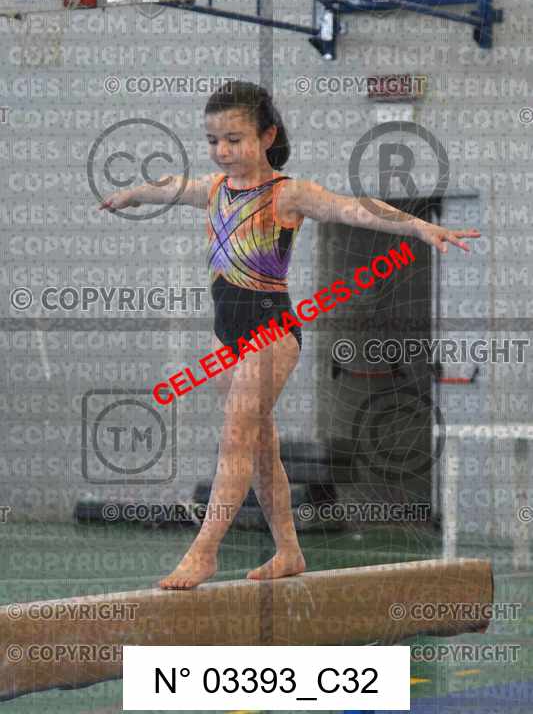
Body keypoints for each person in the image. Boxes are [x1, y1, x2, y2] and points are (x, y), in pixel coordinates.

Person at [98, 81, 481, 589]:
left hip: (270, 334)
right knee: (261, 450)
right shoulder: (213, 189)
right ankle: (289, 551)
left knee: (236, 437)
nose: (222, 150)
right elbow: (170, 185)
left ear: (267, 136)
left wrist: (418, 227)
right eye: (213, 140)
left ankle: (204, 551)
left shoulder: (287, 194)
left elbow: (354, 207)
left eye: (234, 139)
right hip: (226, 338)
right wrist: (132, 194)